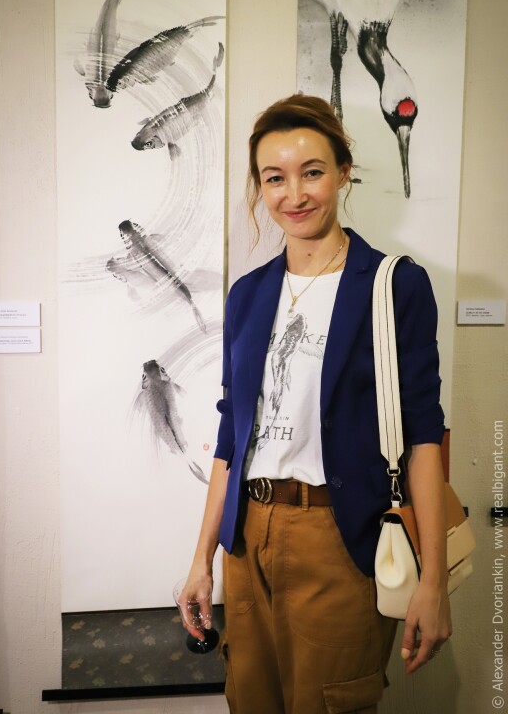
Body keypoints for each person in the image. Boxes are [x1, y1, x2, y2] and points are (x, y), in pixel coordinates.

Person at [180, 94, 452, 714]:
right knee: (249, 699)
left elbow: (423, 439)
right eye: (274, 178)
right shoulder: (248, 295)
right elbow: (232, 438)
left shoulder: (394, 285)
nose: (294, 194)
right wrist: (202, 560)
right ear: (260, 186)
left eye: (312, 172)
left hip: (339, 537)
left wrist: (433, 581)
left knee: (331, 703)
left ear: (343, 173)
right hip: (246, 541)